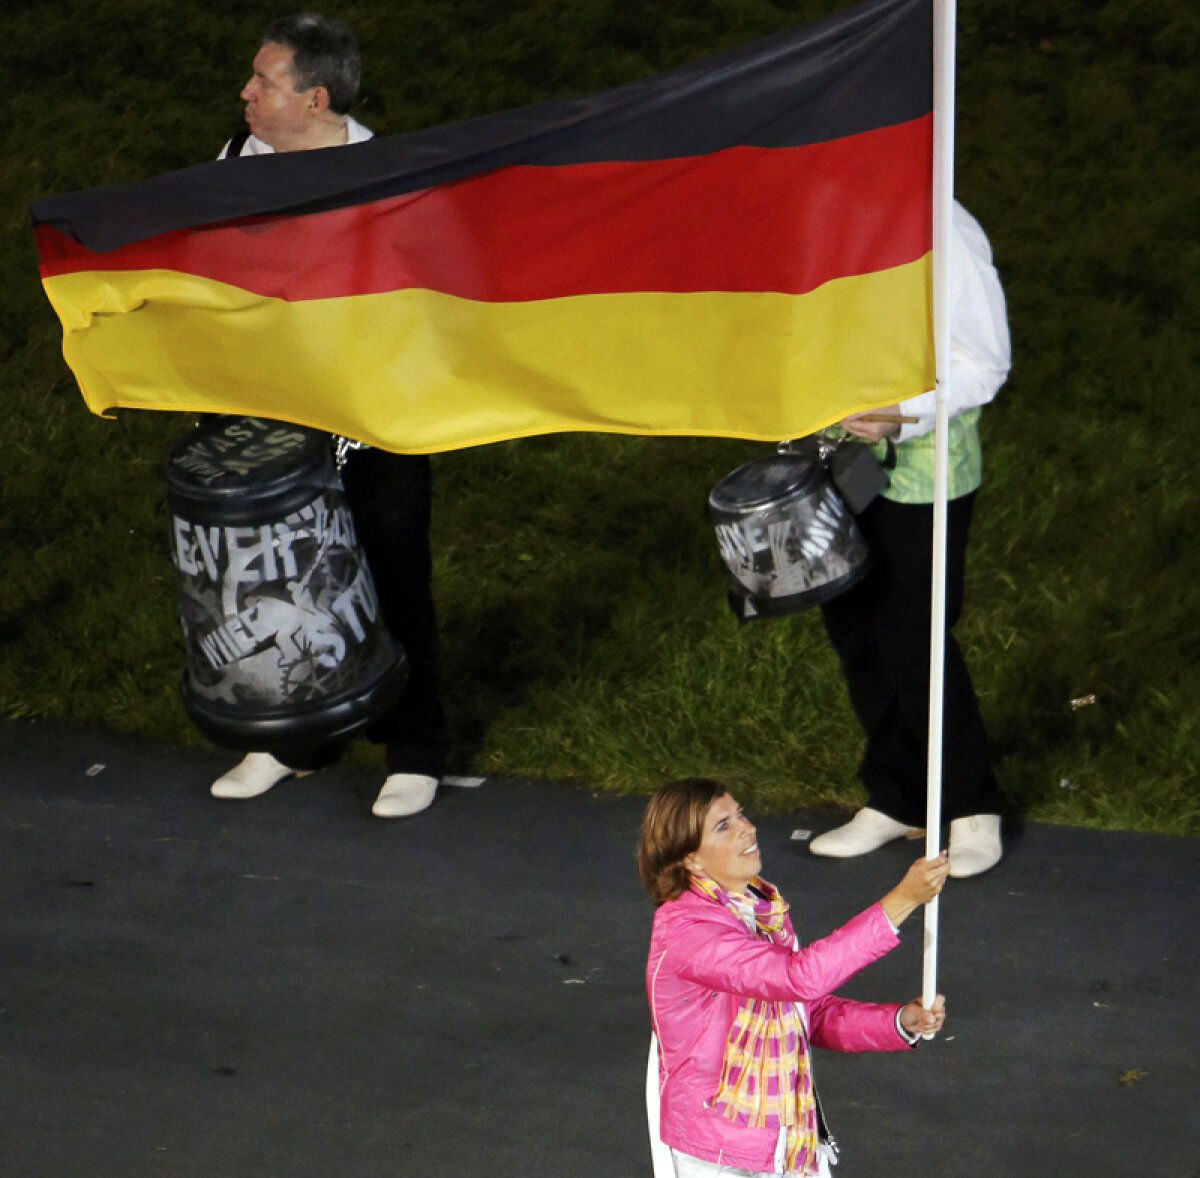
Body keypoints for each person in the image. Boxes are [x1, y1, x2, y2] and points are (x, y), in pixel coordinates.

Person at [208, 14, 447, 818]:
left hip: (371, 416)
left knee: (388, 570)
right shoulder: (238, 160)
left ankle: (415, 748)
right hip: (273, 413)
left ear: (314, 99)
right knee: (277, 574)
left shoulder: (384, 177)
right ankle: (294, 740)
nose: (246, 92)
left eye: (264, 81)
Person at [809, 203, 1011, 877]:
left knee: (913, 635)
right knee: (854, 628)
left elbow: (985, 365)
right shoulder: (820, 212)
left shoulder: (944, 229)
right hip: (836, 461)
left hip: (923, 470)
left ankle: (970, 804)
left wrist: (906, 412)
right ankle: (900, 795)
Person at [640, 778, 947, 1178]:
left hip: (783, 1133)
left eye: (740, 814)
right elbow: (799, 979)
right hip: (716, 1155)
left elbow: (806, 1012)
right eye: (723, 826)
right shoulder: (687, 931)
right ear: (692, 861)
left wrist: (896, 1022)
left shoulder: (761, 907)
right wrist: (904, 898)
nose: (746, 828)